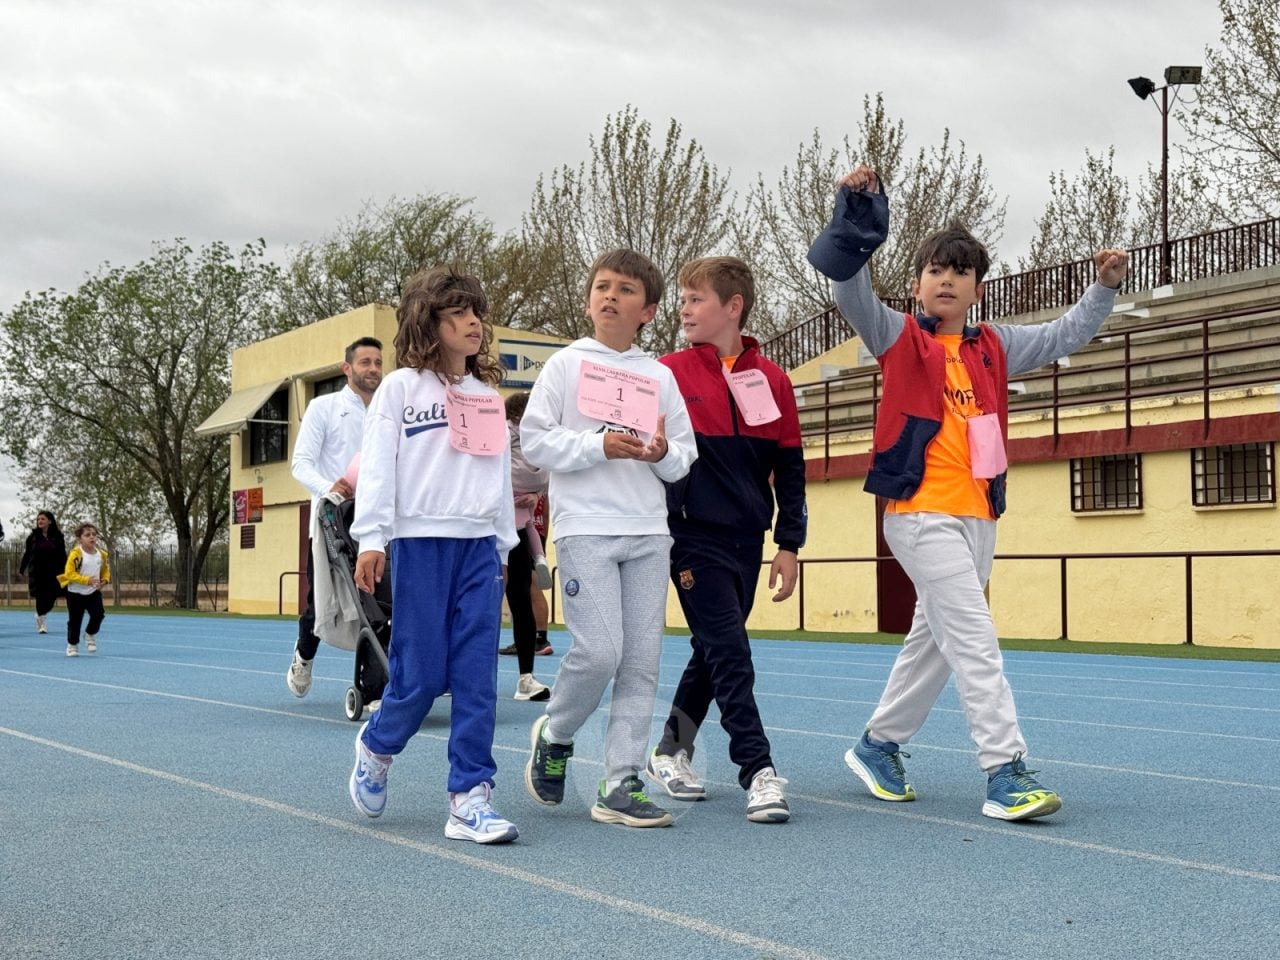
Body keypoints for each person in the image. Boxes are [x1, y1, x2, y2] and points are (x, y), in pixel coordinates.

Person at [812, 164, 1129, 821]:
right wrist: (855, 211)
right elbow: (847, 285)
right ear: (916, 285)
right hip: (919, 511)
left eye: (960, 272)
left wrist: (1103, 288)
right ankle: (1004, 770)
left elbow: (1065, 335)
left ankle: (879, 744)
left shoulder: (996, 346)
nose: (946, 280)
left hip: (979, 514)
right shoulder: (897, 335)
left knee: (934, 643)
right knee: (975, 639)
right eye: (935, 270)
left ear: (978, 289)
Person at [521, 248, 697, 828]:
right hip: (586, 529)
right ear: (588, 299)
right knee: (600, 653)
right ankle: (557, 732)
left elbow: (683, 458)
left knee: (642, 662)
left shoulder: (660, 375)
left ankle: (621, 782)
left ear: (648, 311)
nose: (610, 296)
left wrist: (660, 452)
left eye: (625, 290)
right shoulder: (565, 366)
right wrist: (597, 445)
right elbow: (535, 442)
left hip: (648, 532)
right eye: (602, 286)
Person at [347, 265, 519, 845]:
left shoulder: (487, 398)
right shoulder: (400, 388)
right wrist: (372, 538)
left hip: (479, 549)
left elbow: (497, 479)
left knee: (476, 675)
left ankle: (470, 796)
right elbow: (378, 465)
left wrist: (503, 546)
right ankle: (378, 745)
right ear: (429, 322)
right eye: (458, 314)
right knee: (420, 677)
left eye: (477, 313)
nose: (474, 323)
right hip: (419, 544)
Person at [646, 256, 807, 824]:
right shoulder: (666, 374)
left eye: (696, 299)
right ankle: (758, 770)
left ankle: (670, 750)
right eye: (683, 300)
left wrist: (789, 544)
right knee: (731, 653)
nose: (684, 310)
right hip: (690, 536)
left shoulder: (775, 380)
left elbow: (790, 469)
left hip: (748, 538)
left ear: (733, 306)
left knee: (713, 651)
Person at [286, 336, 383, 698]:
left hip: (376, 523)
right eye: (365, 362)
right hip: (332, 522)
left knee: (377, 602)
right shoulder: (324, 408)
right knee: (321, 605)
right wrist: (331, 487)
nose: (373, 369)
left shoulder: (387, 411)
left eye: (378, 363)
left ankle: (374, 687)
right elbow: (300, 463)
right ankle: (304, 655)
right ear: (347, 368)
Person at [501, 391, 554, 701]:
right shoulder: (510, 433)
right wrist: (535, 495)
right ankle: (525, 677)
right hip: (505, 523)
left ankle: (526, 678)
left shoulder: (524, 434)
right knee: (517, 598)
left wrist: (532, 496)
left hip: (512, 523)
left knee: (517, 598)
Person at [57, 522, 110, 657]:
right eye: (87, 535)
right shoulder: (76, 554)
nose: (92, 537)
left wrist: (104, 580)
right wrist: (87, 580)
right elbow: (69, 574)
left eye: (94, 534)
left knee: (98, 614)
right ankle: (72, 644)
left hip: (93, 592)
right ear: (80, 539)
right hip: (75, 593)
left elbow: (105, 571)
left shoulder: (101, 555)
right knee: (75, 621)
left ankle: (89, 634)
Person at [19, 510, 68, 634]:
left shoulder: (58, 536)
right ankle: (42, 621)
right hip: (38, 571)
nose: (39, 521)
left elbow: (63, 554)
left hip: (54, 571)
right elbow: (27, 554)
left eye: (42, 519)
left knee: (52, 597)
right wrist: (22, 569)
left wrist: (67, 568)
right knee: (40, 596)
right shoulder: (32, 537)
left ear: (49, 521)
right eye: (38, 519)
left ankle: (41, 613)